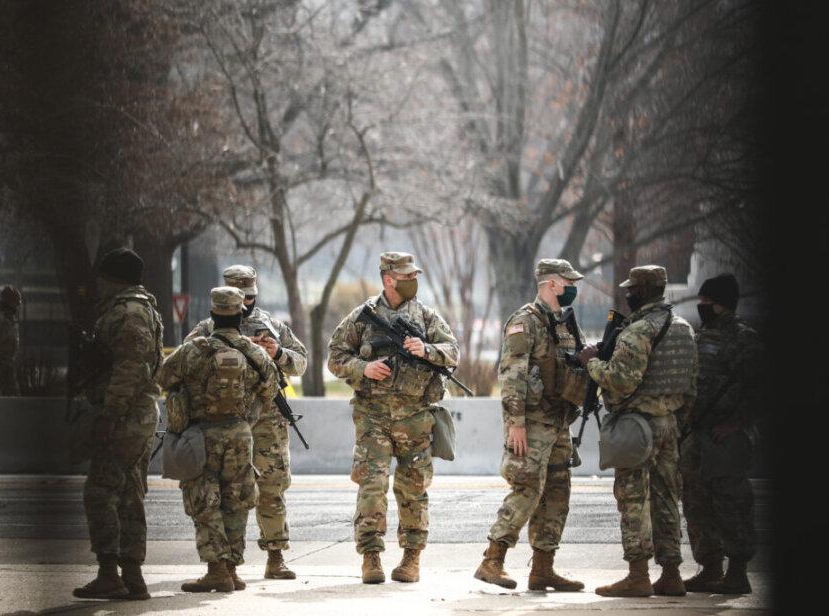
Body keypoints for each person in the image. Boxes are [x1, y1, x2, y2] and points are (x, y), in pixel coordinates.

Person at [327, 252, 459, 584]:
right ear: (389, 279)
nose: (413, 280)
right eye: (406, 276)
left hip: (415, 417)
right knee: (371, 486)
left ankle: (411, 558)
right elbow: (335, 357)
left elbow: (453, 352)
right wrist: (364, 368)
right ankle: (371, 558)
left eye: (414, 274)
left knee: (413, 487)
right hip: (372, 418)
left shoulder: (426, 317)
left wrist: (426, 350)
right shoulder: (363, 317)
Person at [577, 265, 697, 597]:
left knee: (633, 499)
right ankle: (671, 573)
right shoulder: (684, 329)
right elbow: (691, 388)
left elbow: (620, 380)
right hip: (669, 425)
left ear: (641, 292)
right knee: (667, 498)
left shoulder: (638, 331)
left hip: (637, 426)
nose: (627, 295)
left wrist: (591, 362)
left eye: (632, 290)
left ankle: (638, 574)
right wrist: (675, 422)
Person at [186, 265, 307, 580]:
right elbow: (187, 363)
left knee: (272, 485)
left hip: (267, 418)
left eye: (251, 297)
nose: (248, 305)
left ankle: (275, 555)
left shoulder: (273, 325)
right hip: (226, 418)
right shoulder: (208, 328)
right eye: (242, 299)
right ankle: (225, 564)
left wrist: (278, 352)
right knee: (228, 491)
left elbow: (301, 362)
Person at [474, 259, 588, 592]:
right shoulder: (525, 322)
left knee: (557, 492)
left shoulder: (564, 324)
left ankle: (543, 569)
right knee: (526, 488)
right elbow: (511, 375)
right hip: (533, 422)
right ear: (552, 284)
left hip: (558, 421)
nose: (572, 287)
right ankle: (492, 560)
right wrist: (516, 424)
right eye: (568, 282)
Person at [158, 286, 279, 593]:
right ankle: (232, 569)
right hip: (240, 434)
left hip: (202, 434)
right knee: (236, 499)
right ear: (241, 315)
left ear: (212, 315)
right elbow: (270, 390)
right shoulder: (255, 353)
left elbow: (163, 378)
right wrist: (246, 418)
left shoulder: (193, 350)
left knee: (205, 499)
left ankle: (216, 570)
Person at [73, 248, 163, 601]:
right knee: (129, 494)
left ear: (113, 279)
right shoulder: (138, 308)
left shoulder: (129, 313)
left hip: (128, 415)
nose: (98, 284)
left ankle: (111, 572)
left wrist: (110, 415)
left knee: (100, 491)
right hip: (136, 413)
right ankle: (133, 576)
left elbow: (130, 368)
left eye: (102, 278)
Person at [680, 273, 763, 594]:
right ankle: (709, 567)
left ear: (722, 303)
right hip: (697, 433)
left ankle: (737, 571)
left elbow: (760, 390)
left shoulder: (744, 339)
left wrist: (736, 423)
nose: (702, 307)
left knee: (731, 502)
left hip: (726, 436)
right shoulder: (704, 335)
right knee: (696, 501)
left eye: (707, 302)